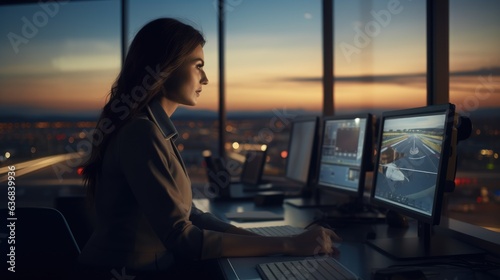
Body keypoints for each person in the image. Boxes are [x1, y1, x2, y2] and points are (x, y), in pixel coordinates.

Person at [78, 17, 341, 279]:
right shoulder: (141, 132)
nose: (205, 78)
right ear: (166, 67)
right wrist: (289, 245)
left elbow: (190, 215)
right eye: (198, 66)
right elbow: (182, 237)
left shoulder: (153, 128)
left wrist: (263, 240)